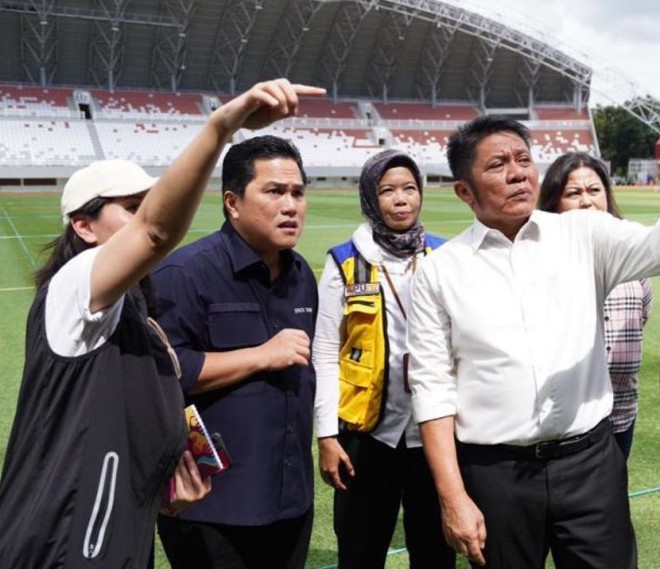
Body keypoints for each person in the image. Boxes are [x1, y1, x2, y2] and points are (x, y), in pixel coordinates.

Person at [0, 78, 323, 569]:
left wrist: (162, 488)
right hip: (62, 537)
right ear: (83, 227)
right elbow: (156, 232)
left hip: (115, 529)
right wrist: (223, 123)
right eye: (130, 209)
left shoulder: (134, 316)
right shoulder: (72, 289)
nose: (143, 219)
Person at [406, 111, 660, 569]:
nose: (517, 173)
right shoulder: (439, 270)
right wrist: (452, 496)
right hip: (494, 473)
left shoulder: (583, 232)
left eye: (523, 159)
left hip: (589, 463)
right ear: (464, 191)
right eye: (497, 165)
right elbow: (431, 388)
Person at [151, 133, 320, 569]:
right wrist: (262, 355)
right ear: (232, 201)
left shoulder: (301, 275)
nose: (291, 206)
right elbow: (164, 374)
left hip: (290, 499)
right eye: (274, 192)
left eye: (298, 193)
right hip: (212, 508)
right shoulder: (184, 274)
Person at [312, 149, 456, 569]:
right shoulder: (344, 262)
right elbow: (324, 352)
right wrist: (326, 436)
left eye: (410, 188)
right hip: (367, 434)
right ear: (370, 198)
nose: (401, 199)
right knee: (360, 549)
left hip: (435, 432)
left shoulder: (445, 257)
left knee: (435, 550)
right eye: (388, 190)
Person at [538, 152, 652, 459]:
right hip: (567, 420)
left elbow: (641, 318)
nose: (586, 202)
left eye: (594, 190)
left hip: (621, 412)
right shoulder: (541, 262)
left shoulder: (635, 258)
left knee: (612, 501)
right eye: (573, 193)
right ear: (553, 204)